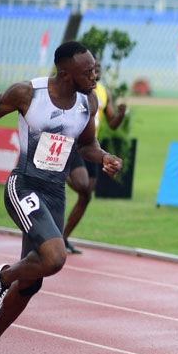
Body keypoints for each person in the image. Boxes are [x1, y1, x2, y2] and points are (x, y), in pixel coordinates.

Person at [0, 41, 122, 354]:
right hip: (24, 184)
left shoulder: (87, 101)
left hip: (54, 192)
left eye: (94, 69)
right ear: (65, 72)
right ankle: (3, 277)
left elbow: (86, 145)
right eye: (87, 70)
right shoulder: (28, 94)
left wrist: (103, 156)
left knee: (31, 283)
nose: (95, 75)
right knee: (56, 257)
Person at [63, 59, 126, 254]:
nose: (95, 73)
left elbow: (112, 123)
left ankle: (63, 237)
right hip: (72, 143)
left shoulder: (103, 93)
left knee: (86, 194)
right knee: (82, 185)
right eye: (91, 69)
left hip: (91, 146)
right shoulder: (77, 90)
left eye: (97, 69)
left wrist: (122, 114)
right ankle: (56, 169)